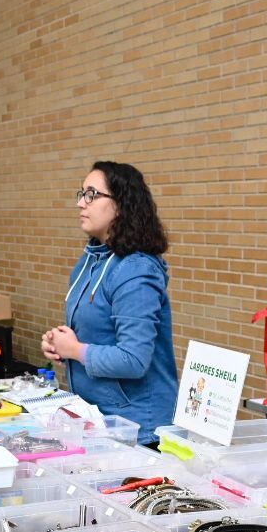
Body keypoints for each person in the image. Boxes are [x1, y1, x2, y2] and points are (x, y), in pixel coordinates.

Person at [42, 161, 178, 447]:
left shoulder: (136, 271)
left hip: (140, 430)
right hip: (100, 419)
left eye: (92, 194)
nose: (81, 203)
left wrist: (77, 351)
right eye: (81, 193)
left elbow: (134, 359)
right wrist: (61, 344)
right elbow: (96, 334)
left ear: (121, 204)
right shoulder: (89, 262)